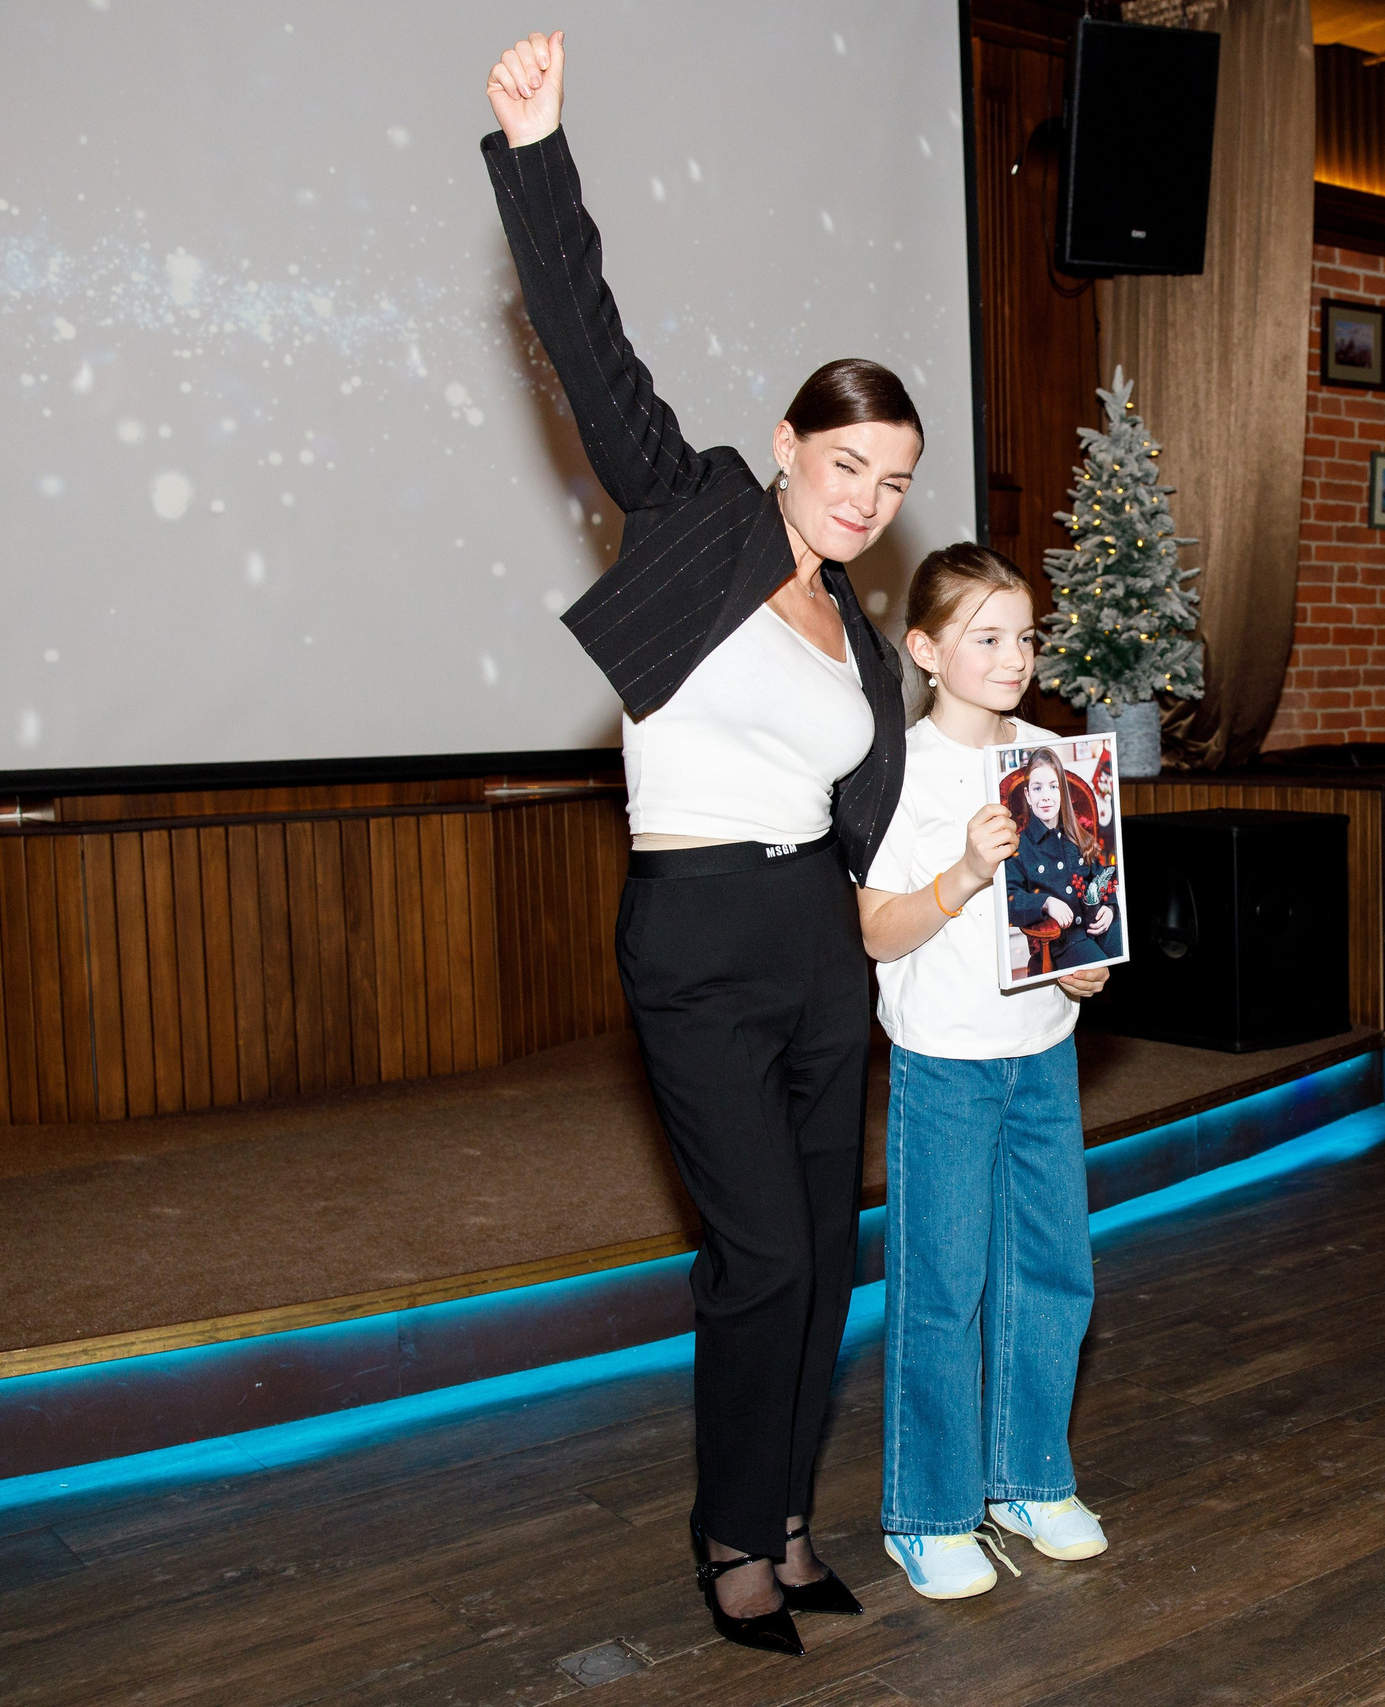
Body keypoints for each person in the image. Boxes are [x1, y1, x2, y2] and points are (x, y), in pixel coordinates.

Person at [481, 31, 916, 1656]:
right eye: (848, 463)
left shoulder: (854, 632)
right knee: (757, 1255)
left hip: (819, 948)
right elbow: (594, 349)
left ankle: (791, 1520)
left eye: (893, 480)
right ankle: (730, 1537)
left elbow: (882, 802)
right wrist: (538, 154)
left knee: (822, 1258)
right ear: (791, 445)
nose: (867, 497)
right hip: (695, 941)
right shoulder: (702, 511)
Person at [856, 544, 1112, 1599]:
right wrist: (962, 871)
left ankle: (1029, 1478)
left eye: (1026, 637)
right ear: (925, 650)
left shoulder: (1056, 754)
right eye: (988, 638)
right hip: (944, 1067)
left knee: (1054, 1274)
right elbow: (877, 932)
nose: (1016, 657)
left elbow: (1081, 906)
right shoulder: (897, 770)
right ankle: (928, 1510)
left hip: (1042, 1059)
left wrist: (1088, 966)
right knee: (941, 1287)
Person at [1002, 748, 1120, 974]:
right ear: (1028, 795)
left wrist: (1110, 908)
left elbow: (1102, 877)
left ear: (1061, 792)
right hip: (1066, 942)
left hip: (1100, 925)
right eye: (1037, 788)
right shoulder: (1019, 847)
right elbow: (1008, 899)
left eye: (1053, 787)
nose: (1045, 796)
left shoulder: (1077, 835)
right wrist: (1045, 903)